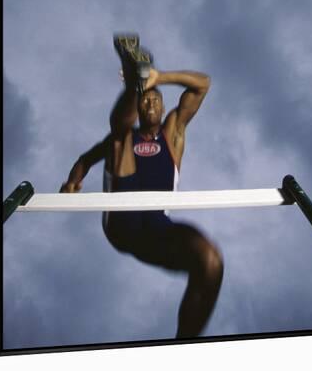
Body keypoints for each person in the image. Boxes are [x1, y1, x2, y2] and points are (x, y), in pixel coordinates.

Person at [60, 34, 223, 338]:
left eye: (154, 98)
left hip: (156, 227)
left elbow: (203, 83)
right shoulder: (121, 138)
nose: (150, 101)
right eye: (145, 96)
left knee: (210, 261)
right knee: (121, 136)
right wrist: (72, 181)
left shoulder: (174, 131)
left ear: (162, 108)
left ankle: (186, 347)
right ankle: (132, 81)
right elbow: (85, 159)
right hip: (123, 223)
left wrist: (160, 77)